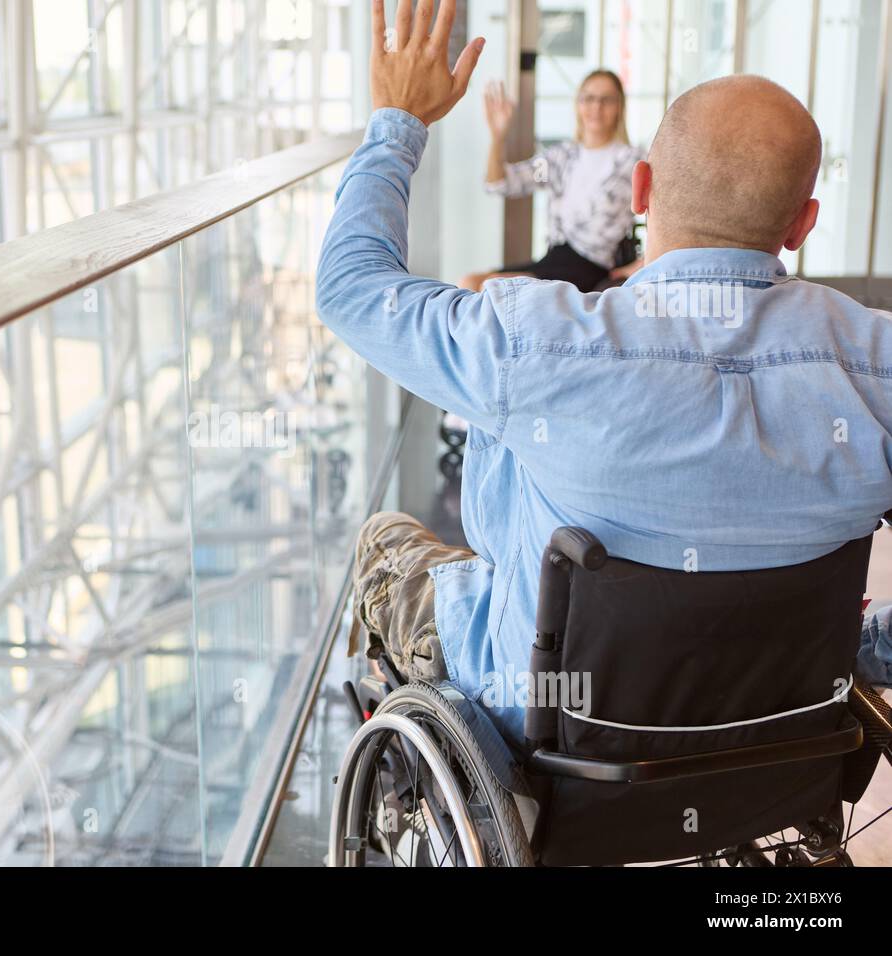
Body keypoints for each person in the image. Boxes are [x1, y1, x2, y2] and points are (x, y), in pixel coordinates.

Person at [316, 0, 892, 745]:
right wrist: (866, 648)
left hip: (554, 725)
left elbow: (351, 288)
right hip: (782, 724)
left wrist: (399, 120)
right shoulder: (876, 359)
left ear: (642, 191)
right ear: (802, 224)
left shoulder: (538, 340)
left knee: (386, 539)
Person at [459, 71, 644, 293]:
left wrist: (642, 264)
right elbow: (498, 183)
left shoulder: (631, 161)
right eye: (589, 98)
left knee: (488, 289)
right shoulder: (561, 158)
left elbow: (670, 211)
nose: (596, 107)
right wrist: (498, 136)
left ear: (620, 107)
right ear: (578, 105)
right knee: (468, 283)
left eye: (606, 99)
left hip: (590, 267)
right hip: (554, 259)